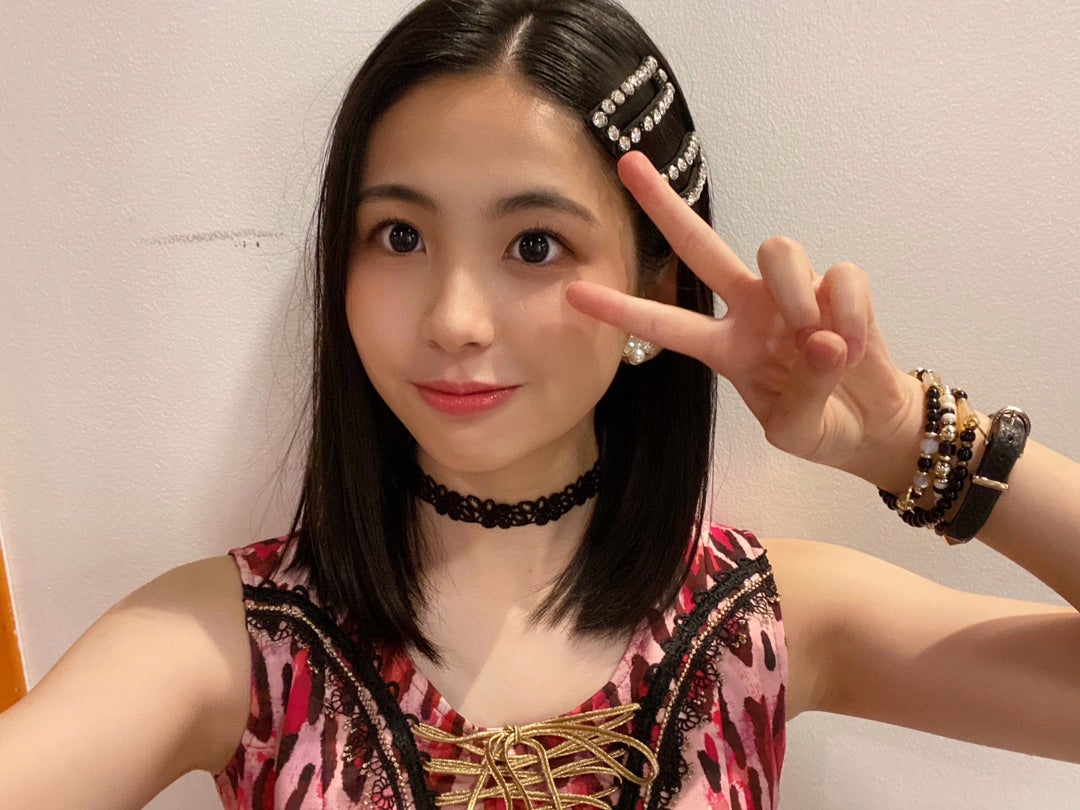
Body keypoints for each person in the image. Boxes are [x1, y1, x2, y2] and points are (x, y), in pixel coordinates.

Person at [1, 0, 1078, 807]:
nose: (455, 319)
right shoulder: (223, 643)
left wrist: (911, 443)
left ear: (658, 288)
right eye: (400, 236)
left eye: (534, 245)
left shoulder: (768, 618)